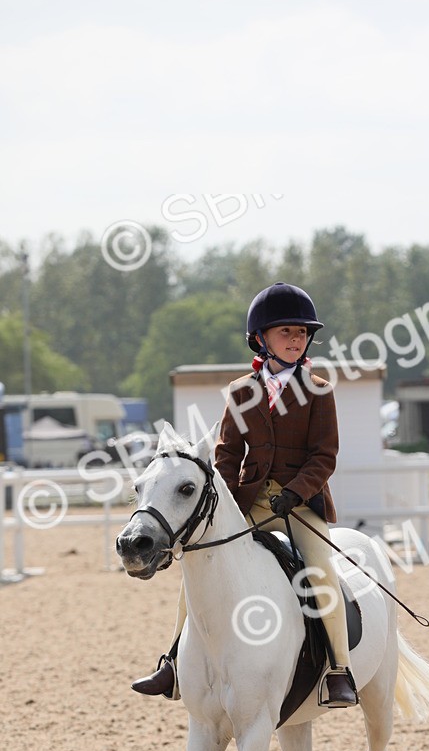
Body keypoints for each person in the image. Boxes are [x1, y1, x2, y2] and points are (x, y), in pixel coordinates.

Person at [131, 281, 358, 708]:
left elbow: (324, 456)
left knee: (320, 571)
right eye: (286, 332)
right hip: (248, 501)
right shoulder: (241, 391)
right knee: (198, 563)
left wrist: (296, 492)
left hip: (299, 502)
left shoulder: (319, 390)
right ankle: (174, 662)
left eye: (302, 333)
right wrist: (225, 504)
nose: (296, 339)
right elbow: (228, 453)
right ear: (261, 338)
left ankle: (338, 670)